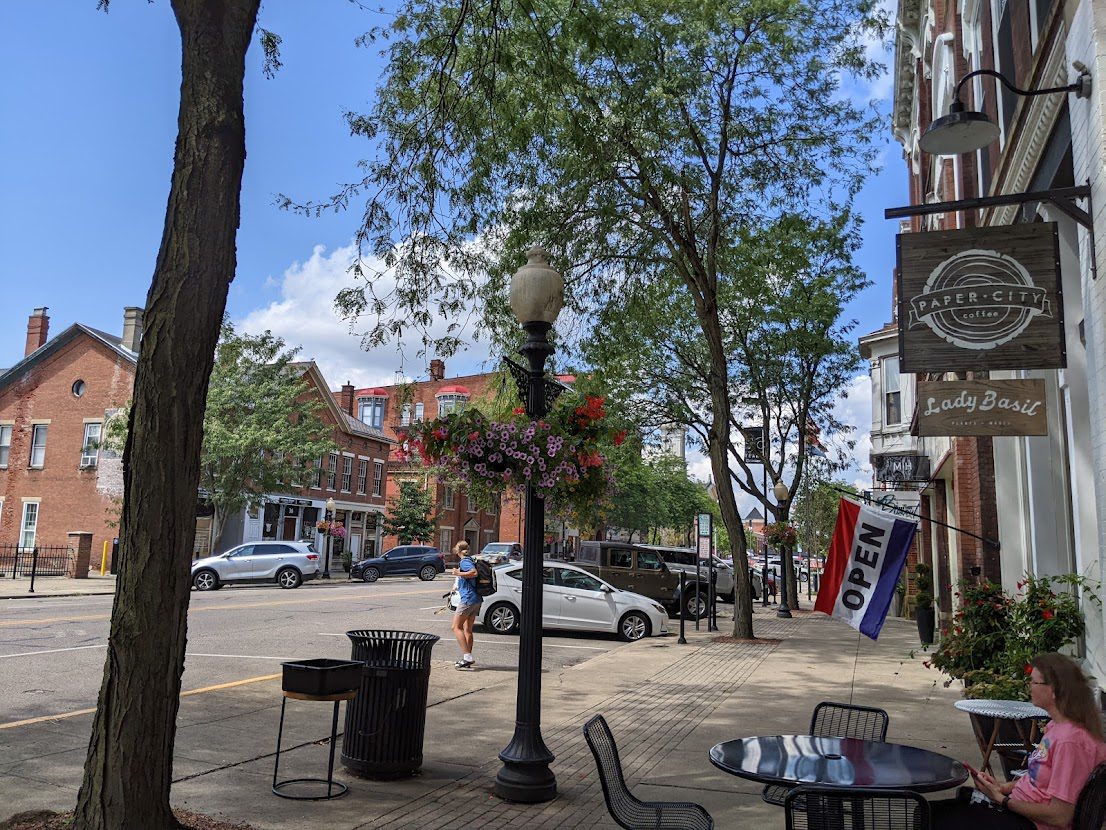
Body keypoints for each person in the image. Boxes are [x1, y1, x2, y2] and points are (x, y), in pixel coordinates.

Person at [932, 652, 1106, 830]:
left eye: (1034, 682)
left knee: (935, 817)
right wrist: (1001, 788)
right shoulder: (1056, 727)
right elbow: (1038, 781)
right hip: (1019, 813)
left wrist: (1003, 801)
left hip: (1031, 824)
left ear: (1053, 690)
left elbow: (1060, 816)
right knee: (936, 811)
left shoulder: (1070, 742)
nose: (1029, 686)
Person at [450, 541, 480, 670]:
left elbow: (474, 573)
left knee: (456, 627)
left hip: (468, 599)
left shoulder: (464, 562)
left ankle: (467, 657)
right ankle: (467, 659)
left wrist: (458, 573)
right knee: (467, 629)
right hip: (476, 599)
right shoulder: (470, 559)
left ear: (458, 551)